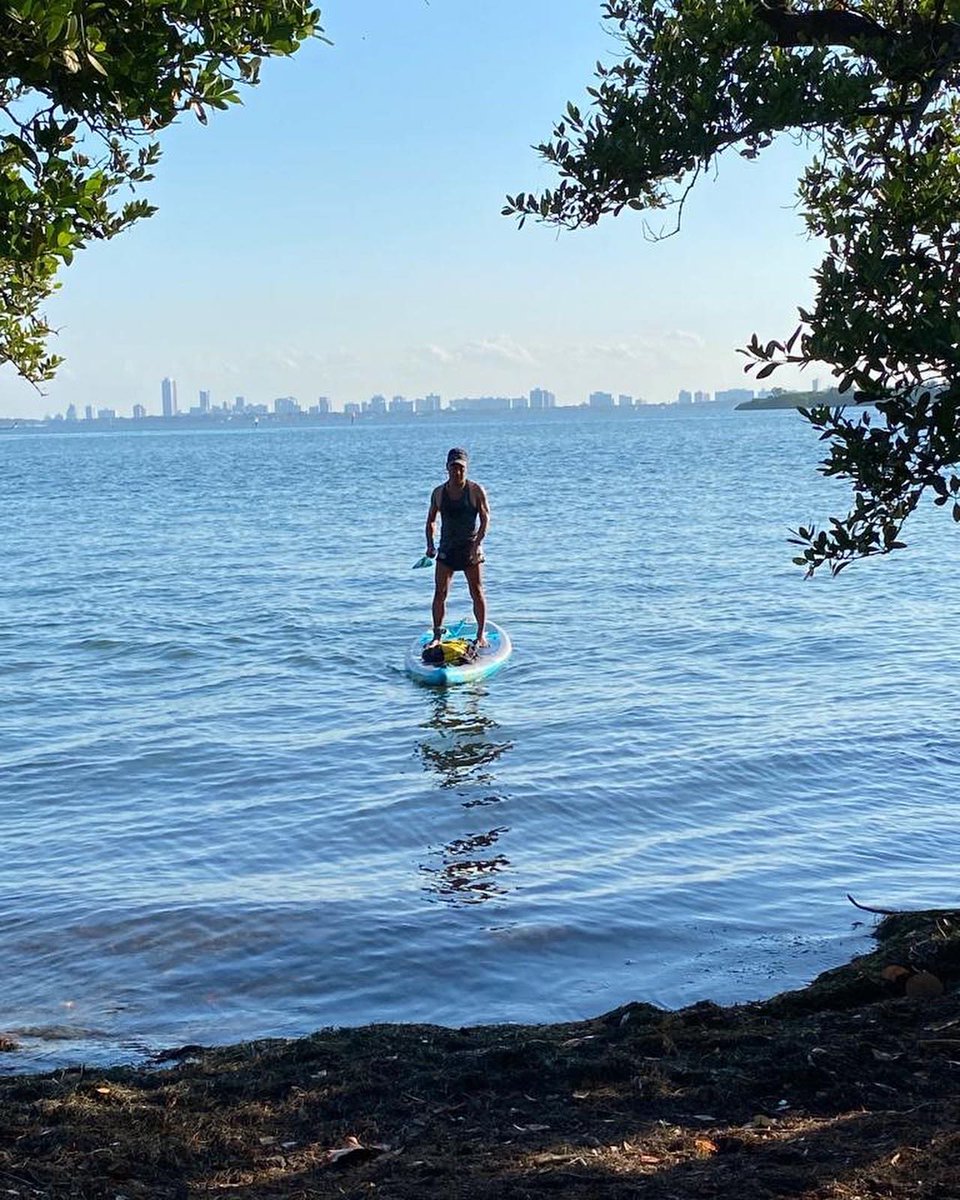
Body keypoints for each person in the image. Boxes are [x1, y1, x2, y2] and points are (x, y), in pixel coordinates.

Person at [424, 447, 490, 650]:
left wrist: (478, 544)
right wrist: (430, 544)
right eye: (454, 467)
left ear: (466, 468)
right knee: (440, 593)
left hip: (470, 549)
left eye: (461, 468)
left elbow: (485, 518)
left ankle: (480, 635)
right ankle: (437, 635)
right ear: (447, 468)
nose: (457, 472)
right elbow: (431, 520)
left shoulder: (475, 490)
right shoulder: (439, 493)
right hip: (447, 549)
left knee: (477, 591)